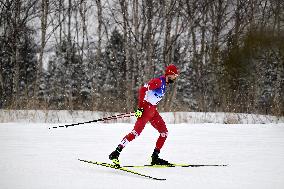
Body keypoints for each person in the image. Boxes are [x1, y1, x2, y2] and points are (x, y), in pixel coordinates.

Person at [109, 64, 179, 166]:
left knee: (164, 133)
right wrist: (141, 108)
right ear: (170, 74)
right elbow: (143, 89)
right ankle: (116, 152)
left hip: (153, 111)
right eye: (174, 76)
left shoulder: (165, 84)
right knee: (135, 133)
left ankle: (155, 157)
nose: (175, 78)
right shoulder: (159, 81)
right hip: (146, 110)